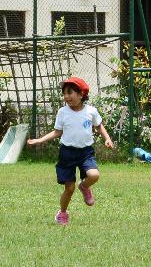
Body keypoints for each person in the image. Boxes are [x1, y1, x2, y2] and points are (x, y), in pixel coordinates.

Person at [27, 76, 114, 225]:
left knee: (94, 175)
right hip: (67, 153)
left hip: (86, 152)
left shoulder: (91, 111)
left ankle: (84, 186)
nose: (66, 96)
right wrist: (39, 140)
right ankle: (62, 213)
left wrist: (107, 138)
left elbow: (99, 126)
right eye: (64, 93)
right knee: (69, 188)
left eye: (70, 92)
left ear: (81, 94)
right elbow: (57, 132)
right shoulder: (62, 112)